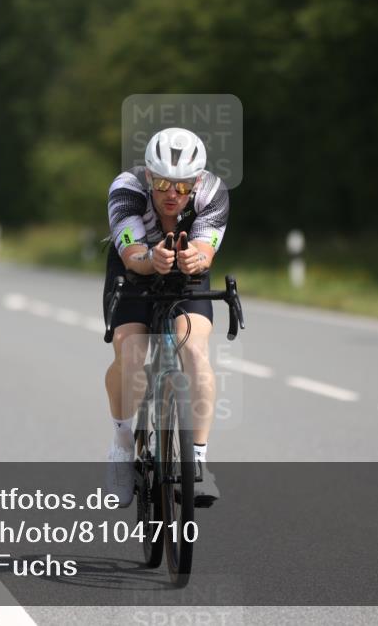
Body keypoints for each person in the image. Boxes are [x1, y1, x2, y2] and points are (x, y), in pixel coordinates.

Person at [104, 127, 230, 507]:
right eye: (162, 183)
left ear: (197, 181)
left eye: (182, 185)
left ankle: (199, 464)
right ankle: (124, 444)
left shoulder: (213, 192)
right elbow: (132, 256)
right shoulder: (126, 190)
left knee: (195, 353)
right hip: (134, 269)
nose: (172, 194)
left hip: (186, 272)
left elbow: (206, 252)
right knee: (130, 354)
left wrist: (198, 257)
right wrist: (149, 259)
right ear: (147, 176)